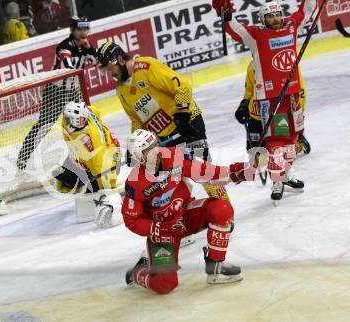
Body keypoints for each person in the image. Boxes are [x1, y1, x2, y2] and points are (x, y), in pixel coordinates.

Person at [122, 129, 256, 293]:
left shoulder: (176, 157)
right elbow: (131, 220)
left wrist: (234, 172)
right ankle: (138, 272)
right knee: (165, 285)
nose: (154, 153)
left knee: (222, 209)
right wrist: (156, 229)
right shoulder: (134, 183)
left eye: (154, 146)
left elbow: (208, 174)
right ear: (138, 156)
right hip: (164, 231)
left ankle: (215, 266)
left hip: (186, 215)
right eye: (147, 151)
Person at [97, 41, 230, 202]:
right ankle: (188, 217)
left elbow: (181, 85)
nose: (110, 73)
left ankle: (224, 211)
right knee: (173, 183)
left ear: (120, 59)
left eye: (110, 68)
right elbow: (137, 121)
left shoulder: (146, 67)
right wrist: (135, 144)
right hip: (165, 137)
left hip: (188, 123)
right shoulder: (121, 90)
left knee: (202, 172)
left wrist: (182, 113)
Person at [212, 0, 317, 201]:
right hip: (270, 98)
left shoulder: (291, 26)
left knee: (292, 137)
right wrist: (226, 14)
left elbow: (307, 9)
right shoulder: (256, 35)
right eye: (270, 16)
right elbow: (236, 29)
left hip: (292, 94)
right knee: (276, 140)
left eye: (277, 14)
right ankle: (278, 179)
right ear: (263, 19)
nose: (275, 19)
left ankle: (284, 173)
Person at [16, 16, 97, 170]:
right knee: (44, 126)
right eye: (80, 29)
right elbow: (69, 68)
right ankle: (22, 158)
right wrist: (85, 49)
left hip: (74, 90)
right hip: (56, 91)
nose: (83, 32)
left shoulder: (85, 45)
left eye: (86, 29)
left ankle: (84, 157)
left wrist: (89, 48)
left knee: (81, 123)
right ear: (72, 30)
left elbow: (96, 62)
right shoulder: (64, 47)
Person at [52, 101, 122, 229]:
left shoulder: (94, 148)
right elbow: (97, 112)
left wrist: (106, 192)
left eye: (69, 119)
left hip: (109, 159)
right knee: (59, 177)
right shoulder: (86, 112)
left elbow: (104, 172)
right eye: (66, 118)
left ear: (79, 120)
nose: (65, 121)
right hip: (88, 157)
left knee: (96, 187)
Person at [235, 61, 311, 155]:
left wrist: (297, 114)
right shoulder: (252, 65)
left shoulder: (286, 63)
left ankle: (297, 144)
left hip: (278, 115)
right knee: (254, 152)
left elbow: (298, 89)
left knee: (280, 152)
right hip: (256, 117)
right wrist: (244, 105)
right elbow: (249, 90)